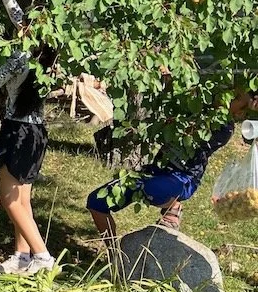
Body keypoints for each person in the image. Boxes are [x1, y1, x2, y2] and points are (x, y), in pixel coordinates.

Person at [87, 93, 257, 239]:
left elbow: (192, 132)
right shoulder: (193, 105)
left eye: (234, 98)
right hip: (152, 172)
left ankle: (173, 206)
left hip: (182, 180)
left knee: (153, 188)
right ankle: (114, 253)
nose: (225, 96)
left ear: (240, 112)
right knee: (96, 202)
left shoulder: (223, 129)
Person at [0, 0, 56, 276]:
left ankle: (42, 257)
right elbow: (17, 14)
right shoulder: (47, 55)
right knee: (23, 200)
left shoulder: (20, 59)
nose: (19, 24)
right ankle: (21, 256)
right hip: (37, 134)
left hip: (17, 132)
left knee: (9, 199)